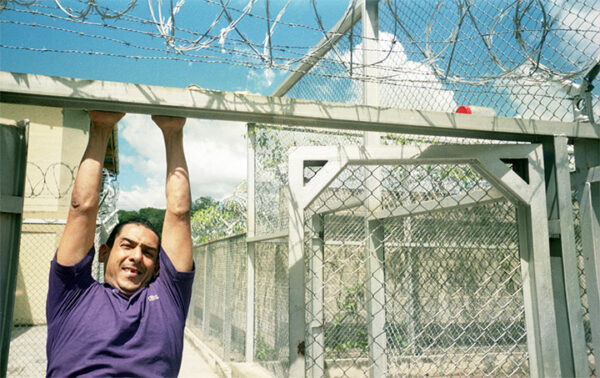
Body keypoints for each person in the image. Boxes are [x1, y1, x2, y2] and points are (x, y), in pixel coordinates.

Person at [46, 111, 194, 377]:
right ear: (104, 252)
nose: (137, 256)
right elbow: (82, 208)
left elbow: (179, 213)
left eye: (148, 252)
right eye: (127, 245)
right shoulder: (73, 293)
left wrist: (173, 132)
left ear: (158, 265)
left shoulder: (168, 299)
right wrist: (101, 127)